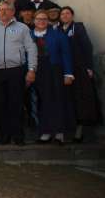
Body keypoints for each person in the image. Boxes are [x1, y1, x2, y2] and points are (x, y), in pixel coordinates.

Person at [0, 1, 38, 146]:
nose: (3, 12)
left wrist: (31, 70)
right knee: (1, 105)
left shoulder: (22, 28)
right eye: (1, 10)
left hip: (16, 71)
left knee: (16, 103)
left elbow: (31, 49)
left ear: (13, 12)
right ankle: (4, 136)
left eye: (7, 10)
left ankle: (18, 135)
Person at [32, 10, 75, 145]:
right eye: (39, 19)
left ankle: (59, 133)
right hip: (38, 70)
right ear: (34, 21)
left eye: (44, 19)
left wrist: (68, 73)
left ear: (48, 21)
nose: (41, 21)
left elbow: (66, 54)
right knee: (42, 101)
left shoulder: (58, 34)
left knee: (57, 100)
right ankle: (45, 132)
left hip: (54, 69)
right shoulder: (29, 34)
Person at [59, 6, 100, 142]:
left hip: (79, 68)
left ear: (72, 15)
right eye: (62, 14)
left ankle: (82, 130)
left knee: (82, 99)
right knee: (69, 99)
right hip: (65, 70)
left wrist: (89, 67)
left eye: (67, 13)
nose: (64, 16)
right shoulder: (58, 30)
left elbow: (87, 46)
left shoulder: (78, 27)